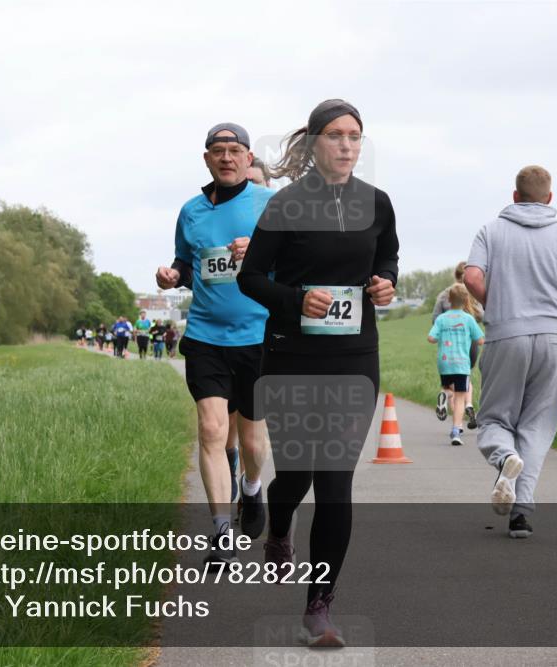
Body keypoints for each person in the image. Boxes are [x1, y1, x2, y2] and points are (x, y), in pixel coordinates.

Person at [238, 99, 398, 648]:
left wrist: (385, 283)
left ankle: (319, 606)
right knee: (297, 477)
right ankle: (279, 525)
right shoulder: (285, 205)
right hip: (291, 359)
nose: (347, 145)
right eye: (335, 135)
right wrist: (296, 300)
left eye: (355, 136)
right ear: (313, 143)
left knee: (334, 481)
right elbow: (251, 278)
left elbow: (387, 259)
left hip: (355, 360)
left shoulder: (377, 203)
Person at [155, 122, 274, 564]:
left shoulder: (270, 203)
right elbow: (187, 263)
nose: (226, 157)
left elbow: (296, 261)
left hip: (258, 335)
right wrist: (172, 275)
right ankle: (222, 532)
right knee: (210, 430)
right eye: (218, 150)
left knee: (253, 441)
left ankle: (252, 486)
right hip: (205, 335)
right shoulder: (191, 211)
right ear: (206, 159)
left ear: (247, 158)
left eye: (234, 150)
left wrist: (258, 251)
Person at [464, 165, 557, 539]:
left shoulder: (491, 230)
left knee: (494, 418)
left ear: (515, 196)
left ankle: (505, 458)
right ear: (550, 197)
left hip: (507, 334)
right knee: (538, 426)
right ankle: (521, 514)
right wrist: (555, 316)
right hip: (555, 338)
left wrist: (499, 305)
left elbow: (471, 277)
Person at [428, 284, 485, 445]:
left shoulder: (441, 319)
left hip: (445, 362)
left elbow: (431, 338)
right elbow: (480, 340)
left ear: (449, 299)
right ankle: (455, 432)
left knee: (448, 389)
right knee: (460, 398)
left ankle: (444, 395)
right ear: (466, 300)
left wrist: (442, 336)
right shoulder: (468, 319)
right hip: (462, 364)